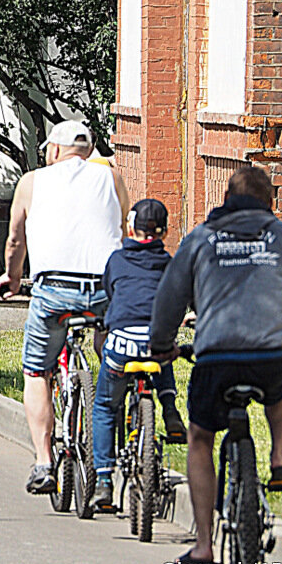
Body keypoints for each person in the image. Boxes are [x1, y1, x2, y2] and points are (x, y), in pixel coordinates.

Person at [149, 166, 282, 564]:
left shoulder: (200, 239)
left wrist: (162, 346)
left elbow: (169, 299)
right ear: (270, 203)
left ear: (226, 200)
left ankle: (203, 545)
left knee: (200, 438)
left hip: (216, 359)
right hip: (272, 359)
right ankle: (279, 459)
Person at [0, 120, 131, 494]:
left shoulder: (33, 182)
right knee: (112, 349)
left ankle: (43, 462)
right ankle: (121, 408)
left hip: (54, 289)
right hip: (105, 287)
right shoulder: (113, 179)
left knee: (37, 370)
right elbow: (121, 232)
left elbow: (15, 240)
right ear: (87, 151)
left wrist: (13, 277)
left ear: (54, 149)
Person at [90, 198, 186, 510]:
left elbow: (109, 296)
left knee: (104, 406)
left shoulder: (117, 260)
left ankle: (104, 481)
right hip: (156, 344)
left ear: (131, 228)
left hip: (120, 346)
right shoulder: (170, 264)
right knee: (162, 347)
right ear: (165, 232)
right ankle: (170, 410)